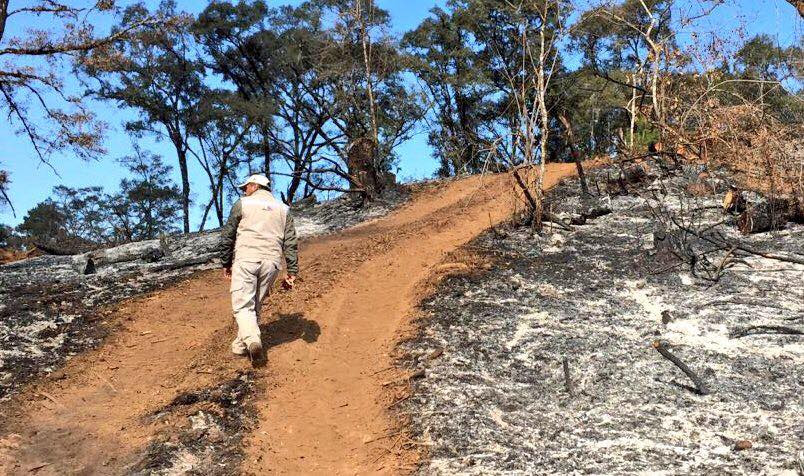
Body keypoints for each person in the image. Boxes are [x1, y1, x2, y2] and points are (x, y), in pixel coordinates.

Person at [219, 174, 298, 363]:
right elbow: (291, 241)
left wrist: (225, 262)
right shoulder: (284, 209)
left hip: (247, 258)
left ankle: (254, 341)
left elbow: (228, 234)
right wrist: (292, 270)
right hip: (271, 263)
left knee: (242, 306)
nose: (244, 191)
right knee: (254, 304)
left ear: (254, 186)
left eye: (245, 187)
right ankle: (240, 346)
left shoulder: (243, 204)